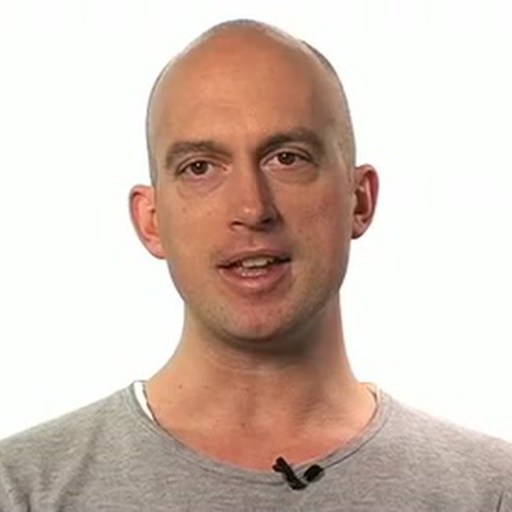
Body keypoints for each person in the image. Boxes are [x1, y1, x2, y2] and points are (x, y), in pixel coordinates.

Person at [0, 19, 511, 512]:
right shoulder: (23, 491)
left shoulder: (490, 493)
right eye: (200, 167)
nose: (251, 208)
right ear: (151, 221)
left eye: (287, 158)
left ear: (359, 199)